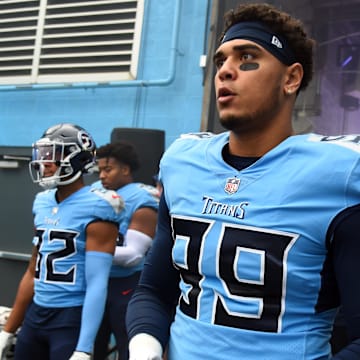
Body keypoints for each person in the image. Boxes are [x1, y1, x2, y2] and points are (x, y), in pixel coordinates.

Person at [125, 3, 360, 360]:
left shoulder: (339, 173)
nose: (226, 72)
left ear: (291, 78)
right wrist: (146, 345)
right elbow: (155, 289)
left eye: (247, 58)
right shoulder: (182, 161)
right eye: (221, 61)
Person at [0, 123, 125, 360]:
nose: (43, 163)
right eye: (42, 155)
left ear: (77, 159)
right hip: (36, 313)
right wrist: (8, 330)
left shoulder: (98, 205)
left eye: (52, 155)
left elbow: (97, 283)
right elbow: (32, 270)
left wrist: (85, 346)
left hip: (70, 318)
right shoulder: (42, 201)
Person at [92, 141, 159, 360]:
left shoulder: (142, 198)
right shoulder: (96, 194)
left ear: (125, 169)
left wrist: (87, 252)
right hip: (98, 283)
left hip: (126, 285)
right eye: (100, 169)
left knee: (126, 347)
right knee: (93, 346)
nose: (102, 175)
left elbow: (133, 255)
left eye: (108, 169)